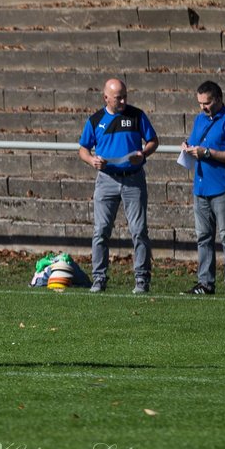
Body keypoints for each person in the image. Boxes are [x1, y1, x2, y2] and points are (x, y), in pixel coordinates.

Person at [77, 78, 159, 294]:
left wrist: (143, 153)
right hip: (106, 180)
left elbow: (153, 141)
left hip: (133, 179)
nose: (123, 100)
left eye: (125, 96)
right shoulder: (95, 120)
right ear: (106, 98)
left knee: (139, 230)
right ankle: (99, 278)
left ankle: (142, 279)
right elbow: (83, 149)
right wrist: (91, 160)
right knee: (101, 231)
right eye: (118, 97)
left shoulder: (137, 115)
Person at [180, 81, 225, 296]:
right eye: (200, 103)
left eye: (206, 103)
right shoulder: (200, 120)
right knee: (204, 237)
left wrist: (207, 153)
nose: (202, 107)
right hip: (201, 187)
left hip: (222, 187)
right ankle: (205, 282)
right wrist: (188, 149)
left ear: (218, 98)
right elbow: (195, 145)